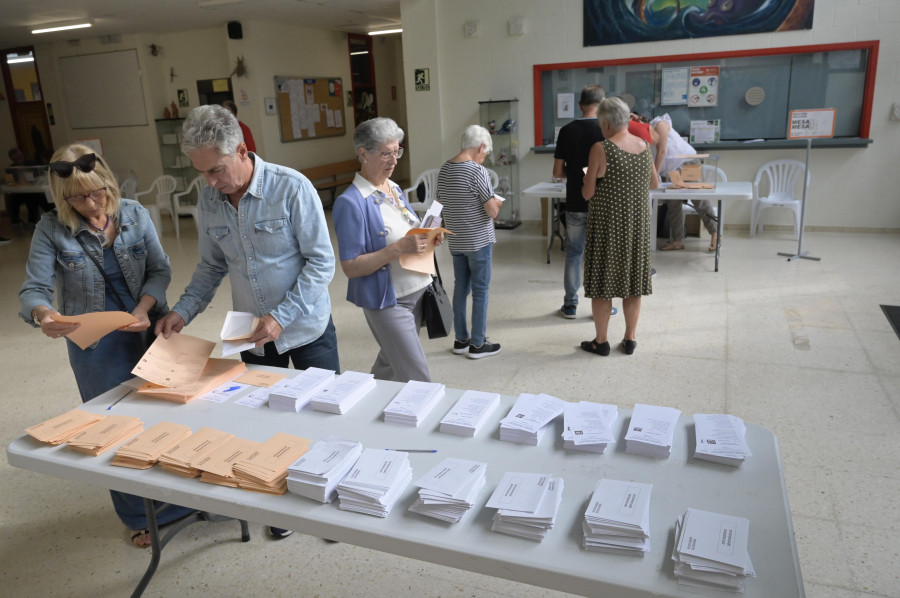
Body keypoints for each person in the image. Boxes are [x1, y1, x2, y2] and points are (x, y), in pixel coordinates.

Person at [155, 106, 339, 539]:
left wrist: (281, 316)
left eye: (217, 170)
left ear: (242, 150)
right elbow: (210, 266)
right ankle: (277, 504)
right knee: (264, 423)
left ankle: (329, 501)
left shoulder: (291, 188)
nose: (211, 182)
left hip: (307, 326)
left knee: (325, 418)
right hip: (252, 335)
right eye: (203, 174)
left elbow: (321, 262)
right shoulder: (209, 198)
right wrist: (182, 310)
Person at [18, 143, 194, 546]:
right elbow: (35, 289)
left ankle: (184, 500)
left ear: (108, 184)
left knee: (172, 416)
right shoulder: (51, 228)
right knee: (114, 430)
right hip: (96, 345)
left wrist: (145, 308)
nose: (91, 203)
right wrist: (44, 315)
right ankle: (138, 515)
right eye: (78, 197)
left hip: (149, 328)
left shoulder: (134, 213)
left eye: (97, 192)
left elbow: (159, 268)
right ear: (62, 198)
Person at [332, 117, 439, 382]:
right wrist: (398, 248)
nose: (394, 160)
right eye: (385, 153)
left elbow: (407, 229)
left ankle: (365, 407)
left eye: (397, 151)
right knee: (417, 377)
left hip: (417, 292)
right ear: (363, 154)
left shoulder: (393, 188)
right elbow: (351, 267)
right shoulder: (351, 202)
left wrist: (427, 238)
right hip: (389, 302)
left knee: (390, 366)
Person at [581, 97, 659, 356]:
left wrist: (587, 178)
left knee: (603, 285)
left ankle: (601, 341)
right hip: (636, 227)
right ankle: (630, 339)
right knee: (633, 284)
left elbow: (588, 193)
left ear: (605, 123)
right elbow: (655, 184)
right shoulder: (644, 145)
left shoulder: (601, 148)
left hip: (608, 228)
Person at [437, 125, 503, 359]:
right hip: (479, 241)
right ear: (481, 147)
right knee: (481, 291)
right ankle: (477, 344)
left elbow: (439, 205)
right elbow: (491, 211)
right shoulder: (477, 171)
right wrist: (497, 203)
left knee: (460, 289)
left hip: (456, 242)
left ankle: (461, 339)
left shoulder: (445, 169)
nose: (484, 158)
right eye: (485, 153)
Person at [552, 85, 613, 320]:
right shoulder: (608, 129)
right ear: (603, 103)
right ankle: (603, 306)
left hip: (575, 201)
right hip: (602, 203)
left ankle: (570, 305)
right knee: (601, 255)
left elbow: (558, 171)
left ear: (580, 104)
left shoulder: (567, 131)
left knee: (574, 253)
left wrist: (578, 175)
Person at [650, 113, 718, 252]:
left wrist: (654, 176)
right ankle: (677, 240)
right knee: (673, 204)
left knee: (699, 199)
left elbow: (662, 152)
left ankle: (715, 234)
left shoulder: (659, 123)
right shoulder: (640, 136)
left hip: (687, 161)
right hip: (672, 168)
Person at [6, 146, 53, 227]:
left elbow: (38, 177)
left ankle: (32, 219)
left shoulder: (31, 164)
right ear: (12, 159)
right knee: (13, 200)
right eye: (16, 158)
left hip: (33, 191)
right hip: (20, 192)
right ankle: (15, 221)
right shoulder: (11, 168)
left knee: (32, 197)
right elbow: (9, 182)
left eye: (20, 157)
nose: (19, 159)